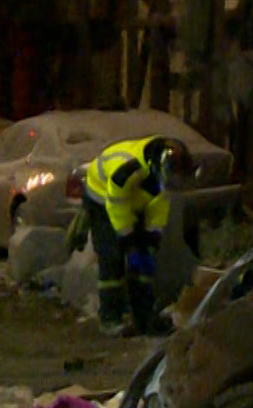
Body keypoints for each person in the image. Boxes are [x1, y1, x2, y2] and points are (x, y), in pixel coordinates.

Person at [81, 134, 191, 335]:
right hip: (102, 200)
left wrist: (152, 237)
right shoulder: (127, 169)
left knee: (145, 261)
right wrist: (128, 239)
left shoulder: (160, 174)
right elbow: (116, 204)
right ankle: (110, 317)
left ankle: (143, 316)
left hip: (131, 200)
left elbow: (159, 205)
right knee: (112, 258)